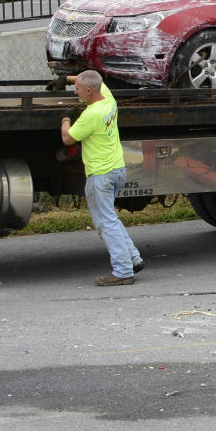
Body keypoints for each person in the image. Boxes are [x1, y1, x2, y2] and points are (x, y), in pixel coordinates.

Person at [59, 70, 144, 286]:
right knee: (109, 219)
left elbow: (68, 138)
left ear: (88, 90)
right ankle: (133, 258)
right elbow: (94, 76)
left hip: (101, 175)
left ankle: (123, 271)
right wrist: (67, 78)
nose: (75, 91)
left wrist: (65, 118)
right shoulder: (108, 99)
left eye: (77, 89)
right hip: (116, 170)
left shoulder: (91, 115)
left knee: (106, 222)